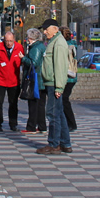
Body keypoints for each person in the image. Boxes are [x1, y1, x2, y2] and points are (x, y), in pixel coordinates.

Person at [36, 19, 72, 155]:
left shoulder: (59, 43)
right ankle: (65, 143)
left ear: (55, 29)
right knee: (59, 113)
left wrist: (59, 87)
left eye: (47, 29)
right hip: (51, 83)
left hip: (54, 84)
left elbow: (60, 66)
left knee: (53, 114)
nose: (44, 32)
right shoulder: (54, 41)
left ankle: (54, 144)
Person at [0, 30, 24, 131]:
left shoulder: (19, 48)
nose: (9, 43)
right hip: (0, 80)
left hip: (14, 80)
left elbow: (21, 61)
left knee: (13, 103)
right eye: (7, 41)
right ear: (4, 40)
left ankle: (13, 124)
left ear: (14, 40)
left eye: (11, 41)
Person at [20, 28, 47, 134]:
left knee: (33, 104)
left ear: (31, 38)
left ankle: (31, 126)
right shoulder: (41, 46)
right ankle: (42, 126)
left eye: (28, 37)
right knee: (40, 105)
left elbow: (34, 63)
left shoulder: (35, 48)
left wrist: (23, 58)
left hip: (35, 79)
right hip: (41, 79)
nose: (27, 39)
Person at [61, 27, 78, 131]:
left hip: (67, 76)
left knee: (64, 100)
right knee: (64, 100)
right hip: (72, 76)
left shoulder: (65, 45)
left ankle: (71, 123)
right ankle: (68, 123)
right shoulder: (73, 44)